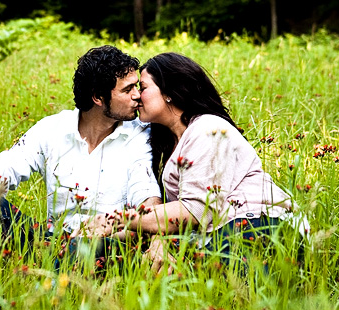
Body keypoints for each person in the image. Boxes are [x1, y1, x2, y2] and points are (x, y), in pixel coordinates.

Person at [83, 52, 307, 270]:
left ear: (169, 92)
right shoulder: (169, 144)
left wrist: (115, 220)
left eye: (143, 87)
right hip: (215, 237)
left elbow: (196, 210)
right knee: (116, 257)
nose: (137, 96)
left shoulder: (208, 128)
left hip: (260, 226)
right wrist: (94, 233)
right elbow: (174, 218)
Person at [0, 45, 161, 254]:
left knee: (83, 247)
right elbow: (2, 167)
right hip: (51, 240)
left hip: (106, 242)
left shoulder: (139, 135)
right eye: (127, 90)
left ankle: (56, 282)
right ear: (98, 97)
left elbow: (147, 195)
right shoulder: (52, 129)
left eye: (136, 86)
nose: (138, 95)